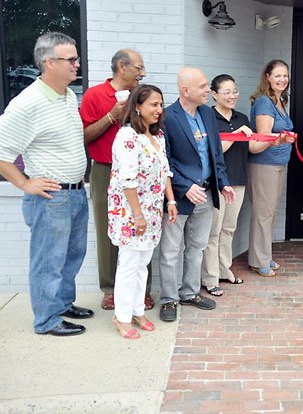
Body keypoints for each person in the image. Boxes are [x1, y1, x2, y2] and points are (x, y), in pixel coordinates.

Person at [0, 32, 92, 336]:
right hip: (52, 197)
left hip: (75, 192)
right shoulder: (28, 103)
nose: (77, 64)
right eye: (71, 59)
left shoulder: (66, 96)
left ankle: (62, 303)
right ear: (49, 63)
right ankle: (47, 320)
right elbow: (2, 153)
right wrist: (25, 184)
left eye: (76, 58)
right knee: (48, 261)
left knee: (71, 256)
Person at [158, 67, 235, 322]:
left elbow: (215, 154)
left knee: (197, 247)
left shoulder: (206, 114)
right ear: (185, 90)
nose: (207, 90)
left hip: (205, 192)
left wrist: (222, 183)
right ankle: (169, 299)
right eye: (202, 86)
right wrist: (184, 186)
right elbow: (165, 160)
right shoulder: (168, 117)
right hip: (179, 197)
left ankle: (189, 293)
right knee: (170, 251)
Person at [80, 48, 154, 311]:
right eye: (138, 68)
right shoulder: (95, 95)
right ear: (122, 67)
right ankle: (110, 289)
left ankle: (141, 289)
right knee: (108, 230)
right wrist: (112, 115)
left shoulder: (142, 96)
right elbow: (84, 136)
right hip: (105, 170)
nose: (142, 73)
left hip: (140, 173)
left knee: (142, 225)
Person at [107, 84, 177, 339]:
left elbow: (165, 171)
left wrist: (170, 201)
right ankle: (122, 316)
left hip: (152, 209)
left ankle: (137, 310)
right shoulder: (127, 136)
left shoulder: (156, 136)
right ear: (138, 106)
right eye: (153, 105)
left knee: (143, 263)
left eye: (160, 104)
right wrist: (137, 216)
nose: (159, 109)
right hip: (130, 211)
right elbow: (127, 180)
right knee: (128, 263)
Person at [201, 74, 272, 295]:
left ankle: (224, 270)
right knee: (213, 232)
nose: (232, 96)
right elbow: (214, 150)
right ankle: (210, 278)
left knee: (229, 229)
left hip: (238, 179)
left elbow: (251, 147)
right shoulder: (208, 117)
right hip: (217, 182)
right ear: (214, 94)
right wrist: (235, 135)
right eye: (227, 92)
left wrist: (273, 141)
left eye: (235, 91)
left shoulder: (242, 117)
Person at [247, 60, 295, 277]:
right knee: (263, 213)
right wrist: (281, 138)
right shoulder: (265, 102)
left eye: (285, 76)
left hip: (278, 164)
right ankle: (259, 260)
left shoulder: (279, 100)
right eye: (277, 76)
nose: (282, 80)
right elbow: (264, 137)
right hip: (264, 165)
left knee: (270, 212)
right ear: (267, 76)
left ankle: (264, 254)